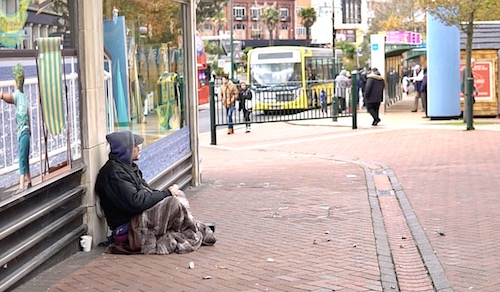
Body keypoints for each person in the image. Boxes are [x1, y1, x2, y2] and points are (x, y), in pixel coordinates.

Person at [95, 131, 216, 254]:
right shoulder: (114, 174)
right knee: (172, 203)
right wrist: (166, 194)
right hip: (128, 226)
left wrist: (167, 193)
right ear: (126, 150)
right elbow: (136, 202)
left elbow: (145, 192)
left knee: (178, 196)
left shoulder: (127, 168)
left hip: (136, 216)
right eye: (135, 146)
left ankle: (191, 227)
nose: (139, 149)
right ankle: (193, 228)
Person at [0, 64, 32, 193]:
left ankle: (21, 185)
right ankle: (29, 180)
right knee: (26, 157)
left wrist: (1, 95)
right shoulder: (24, 97)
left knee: (21, 158)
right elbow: (28, 114)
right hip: (26, 132)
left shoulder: (18, 95)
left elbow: (9, 98)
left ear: (16, 82)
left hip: (22, 133)